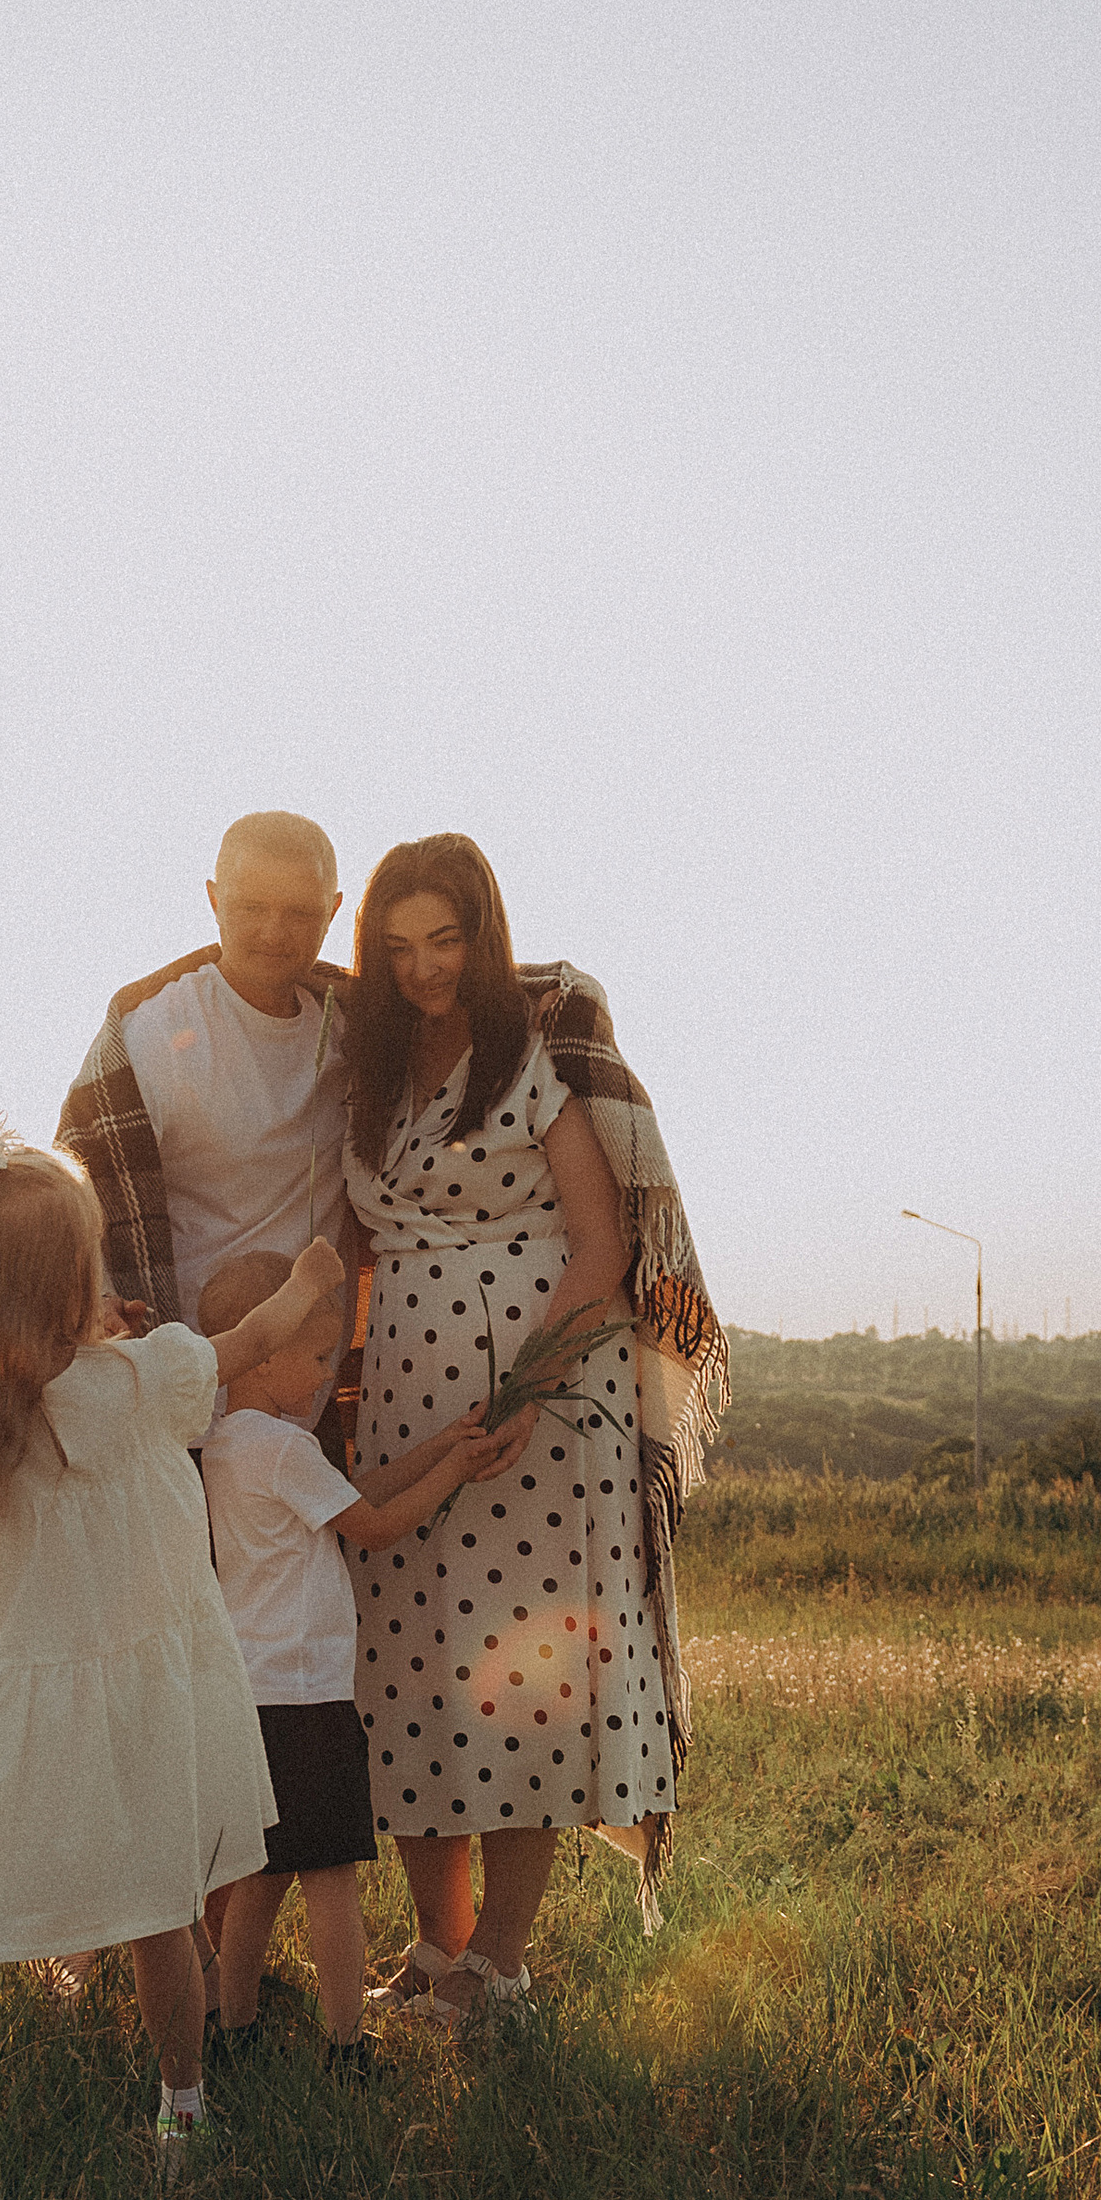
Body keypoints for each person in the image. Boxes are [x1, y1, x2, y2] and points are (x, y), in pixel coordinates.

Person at [0, 1114, 346, 2200]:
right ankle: (182, 2110)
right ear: (78, 1280)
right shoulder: (142, 1383)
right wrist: (307, 1283)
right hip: (135, 1710)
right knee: (163, 1919)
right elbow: (250, 1343)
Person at [340, 836, 728, 2019]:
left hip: (543, 1409)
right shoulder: (367, 1055)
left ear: (484, 932)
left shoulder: (542, 1040)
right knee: (406, 1668)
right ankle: (436, 1950)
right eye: (397, 946)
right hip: (405, 1395)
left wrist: (515, 1400)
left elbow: (603, 1249)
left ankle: (500, 1964)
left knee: (521, 1679)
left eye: (444, 939)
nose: (423, 969)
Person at [195, 1247, 532, 2063]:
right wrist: (454, 1469)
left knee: (262, 1878)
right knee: (332, 1878)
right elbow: (376, 1526)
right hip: (308, 1697)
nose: (321, 1375)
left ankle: (231, 2024)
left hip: (252, 1693)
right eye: (315, 1355)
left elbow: (362, 1491)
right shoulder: (281, 1448)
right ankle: (346, 2044)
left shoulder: (228, 1443)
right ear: (264, 1347)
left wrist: (441, 1448)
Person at [57, 808, 355, 1436]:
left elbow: (472, 990)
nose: (275, 931)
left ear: (332, 912)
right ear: (215, 901)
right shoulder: (155, 1031)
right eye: (251, 907)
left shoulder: (358, 1027)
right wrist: (95, 1303)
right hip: (190, 1387)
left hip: (307, 1391)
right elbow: (77, 1194)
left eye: (300, 912)